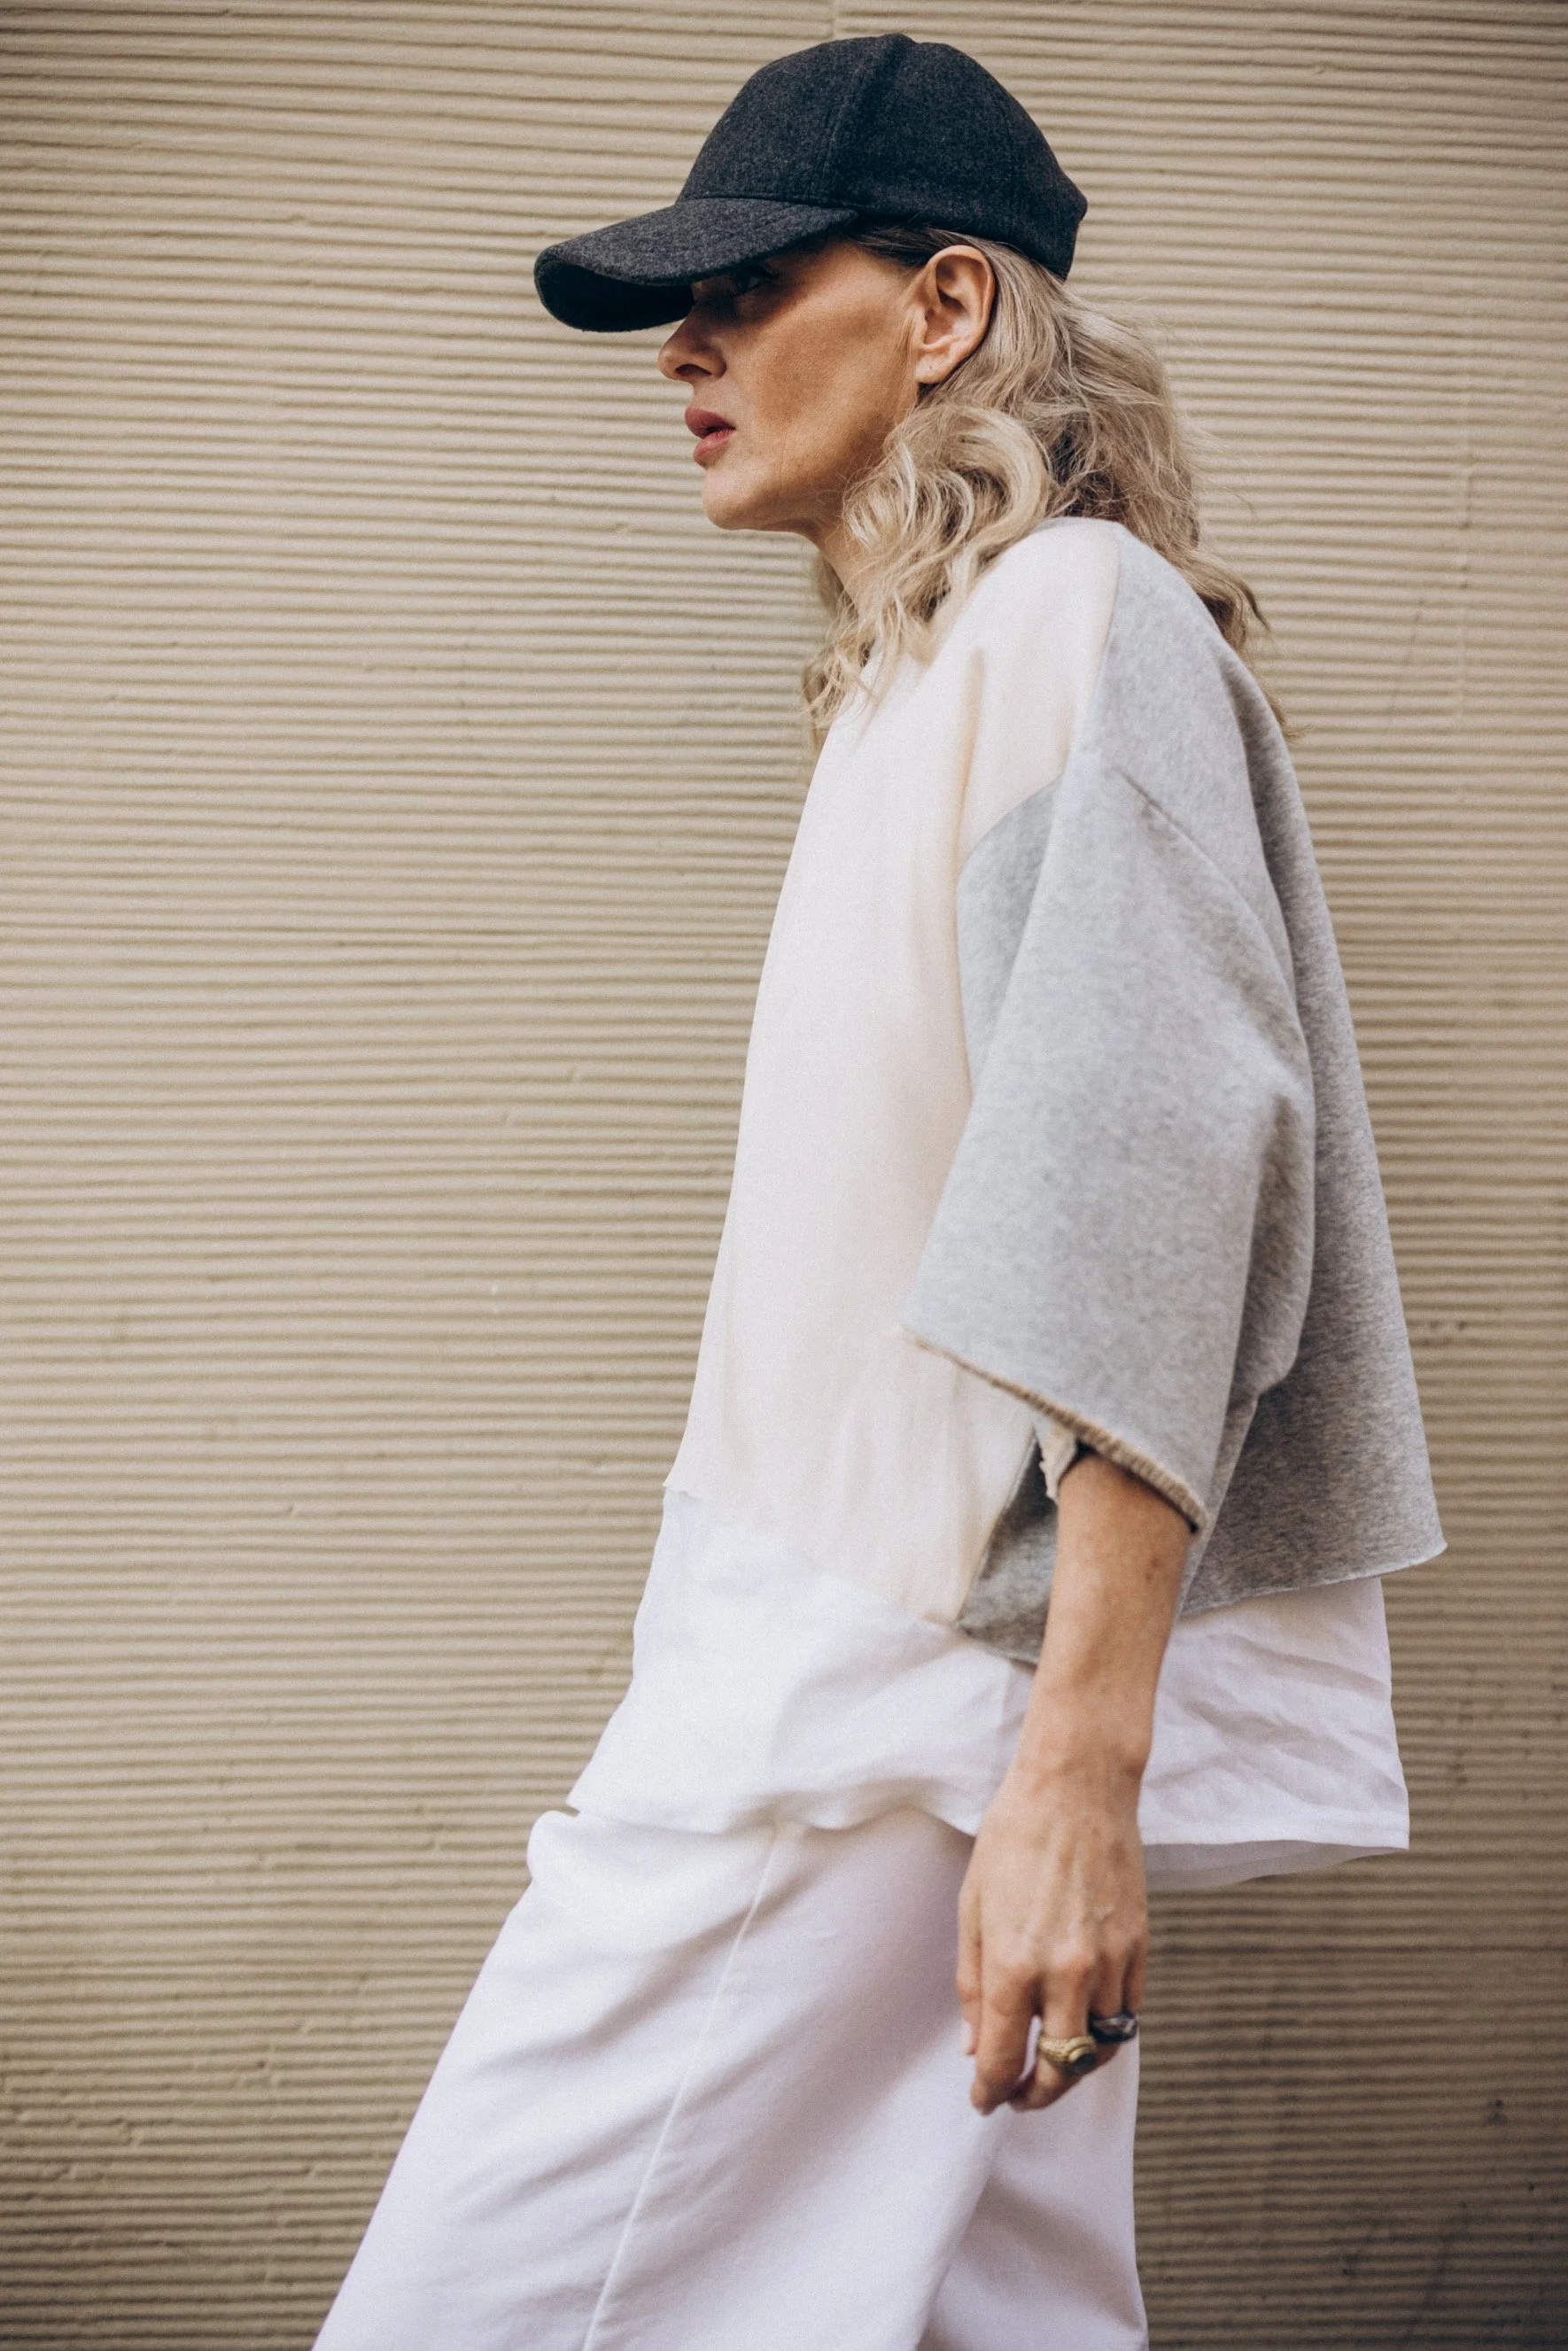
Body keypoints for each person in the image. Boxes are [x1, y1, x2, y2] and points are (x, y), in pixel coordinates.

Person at [314, 34, 1441, 2351]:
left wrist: (1076, 1780)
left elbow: (1160, 1197)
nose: (686, 349)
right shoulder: (924, 674)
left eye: (741, 283)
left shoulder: (1072, 624)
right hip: (861, 1697)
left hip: (860, 1724)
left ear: (941, 309)